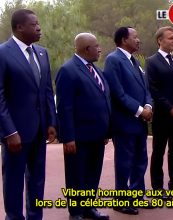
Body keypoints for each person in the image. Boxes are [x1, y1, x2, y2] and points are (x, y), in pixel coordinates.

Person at [0, 9, 57, 220]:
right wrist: (9, 132)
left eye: (39, 24)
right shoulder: (0, 53)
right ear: (19, 27)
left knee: (37, 179)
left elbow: (46, 91)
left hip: (39, 131)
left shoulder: (42, 53)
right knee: (14, 181)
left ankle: (35, 216)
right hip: (16, 133)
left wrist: (52, 122)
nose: (39, 28)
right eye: (34, 24)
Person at [56, 33, 110, 220]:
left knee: (93, 174)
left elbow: (104, 99)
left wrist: (106, 131)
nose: (100, 49)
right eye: (97, 46)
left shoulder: (96, 70)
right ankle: (76, 212)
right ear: (87, 49)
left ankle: (89, 208)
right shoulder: (68, 70)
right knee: (76, 175)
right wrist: (68, 137)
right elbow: (65, 107)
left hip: (97, 134)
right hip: (78, 137)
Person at [103, 26, 153, 215]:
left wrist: (148, 106)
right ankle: (121, 199)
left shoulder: (135, 61)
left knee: (141, 160)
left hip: (139, 122)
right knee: (124, 162)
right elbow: (117, 93)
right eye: (135, 37)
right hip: (125, 122)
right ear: (124, 40)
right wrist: (140, 111)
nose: (138, 40)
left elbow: (145, 89)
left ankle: (137, 195)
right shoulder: (113, 60)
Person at [146, 26, 173, 195]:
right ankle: (157, 187)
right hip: (163, 115)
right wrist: (171, 109)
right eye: (170, 38)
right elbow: (154, 90)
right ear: (159, 40)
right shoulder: (152, 61)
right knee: (159, 151)